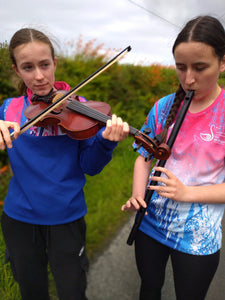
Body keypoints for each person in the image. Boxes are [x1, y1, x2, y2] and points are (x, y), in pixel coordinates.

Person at [0, 28, 129, 300]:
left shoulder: (79, 107)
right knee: (31, 291)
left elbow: (90, 166)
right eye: (28, 67)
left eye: (45, 65)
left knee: (72, 291)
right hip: (19, 220)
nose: (38, 76)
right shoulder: (8, 109)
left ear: (55, 63)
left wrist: (106, 142)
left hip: (66, 219)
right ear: (17, 70)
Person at [122, 15, 225, 300]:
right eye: (181, 68)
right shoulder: (164, 106)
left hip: (198, 239)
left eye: (200, 67)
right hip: (151, 225)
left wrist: (187, 192)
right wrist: (137, 194)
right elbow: (144, 156)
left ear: (223, 62)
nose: (188, 78)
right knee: (149, 288)